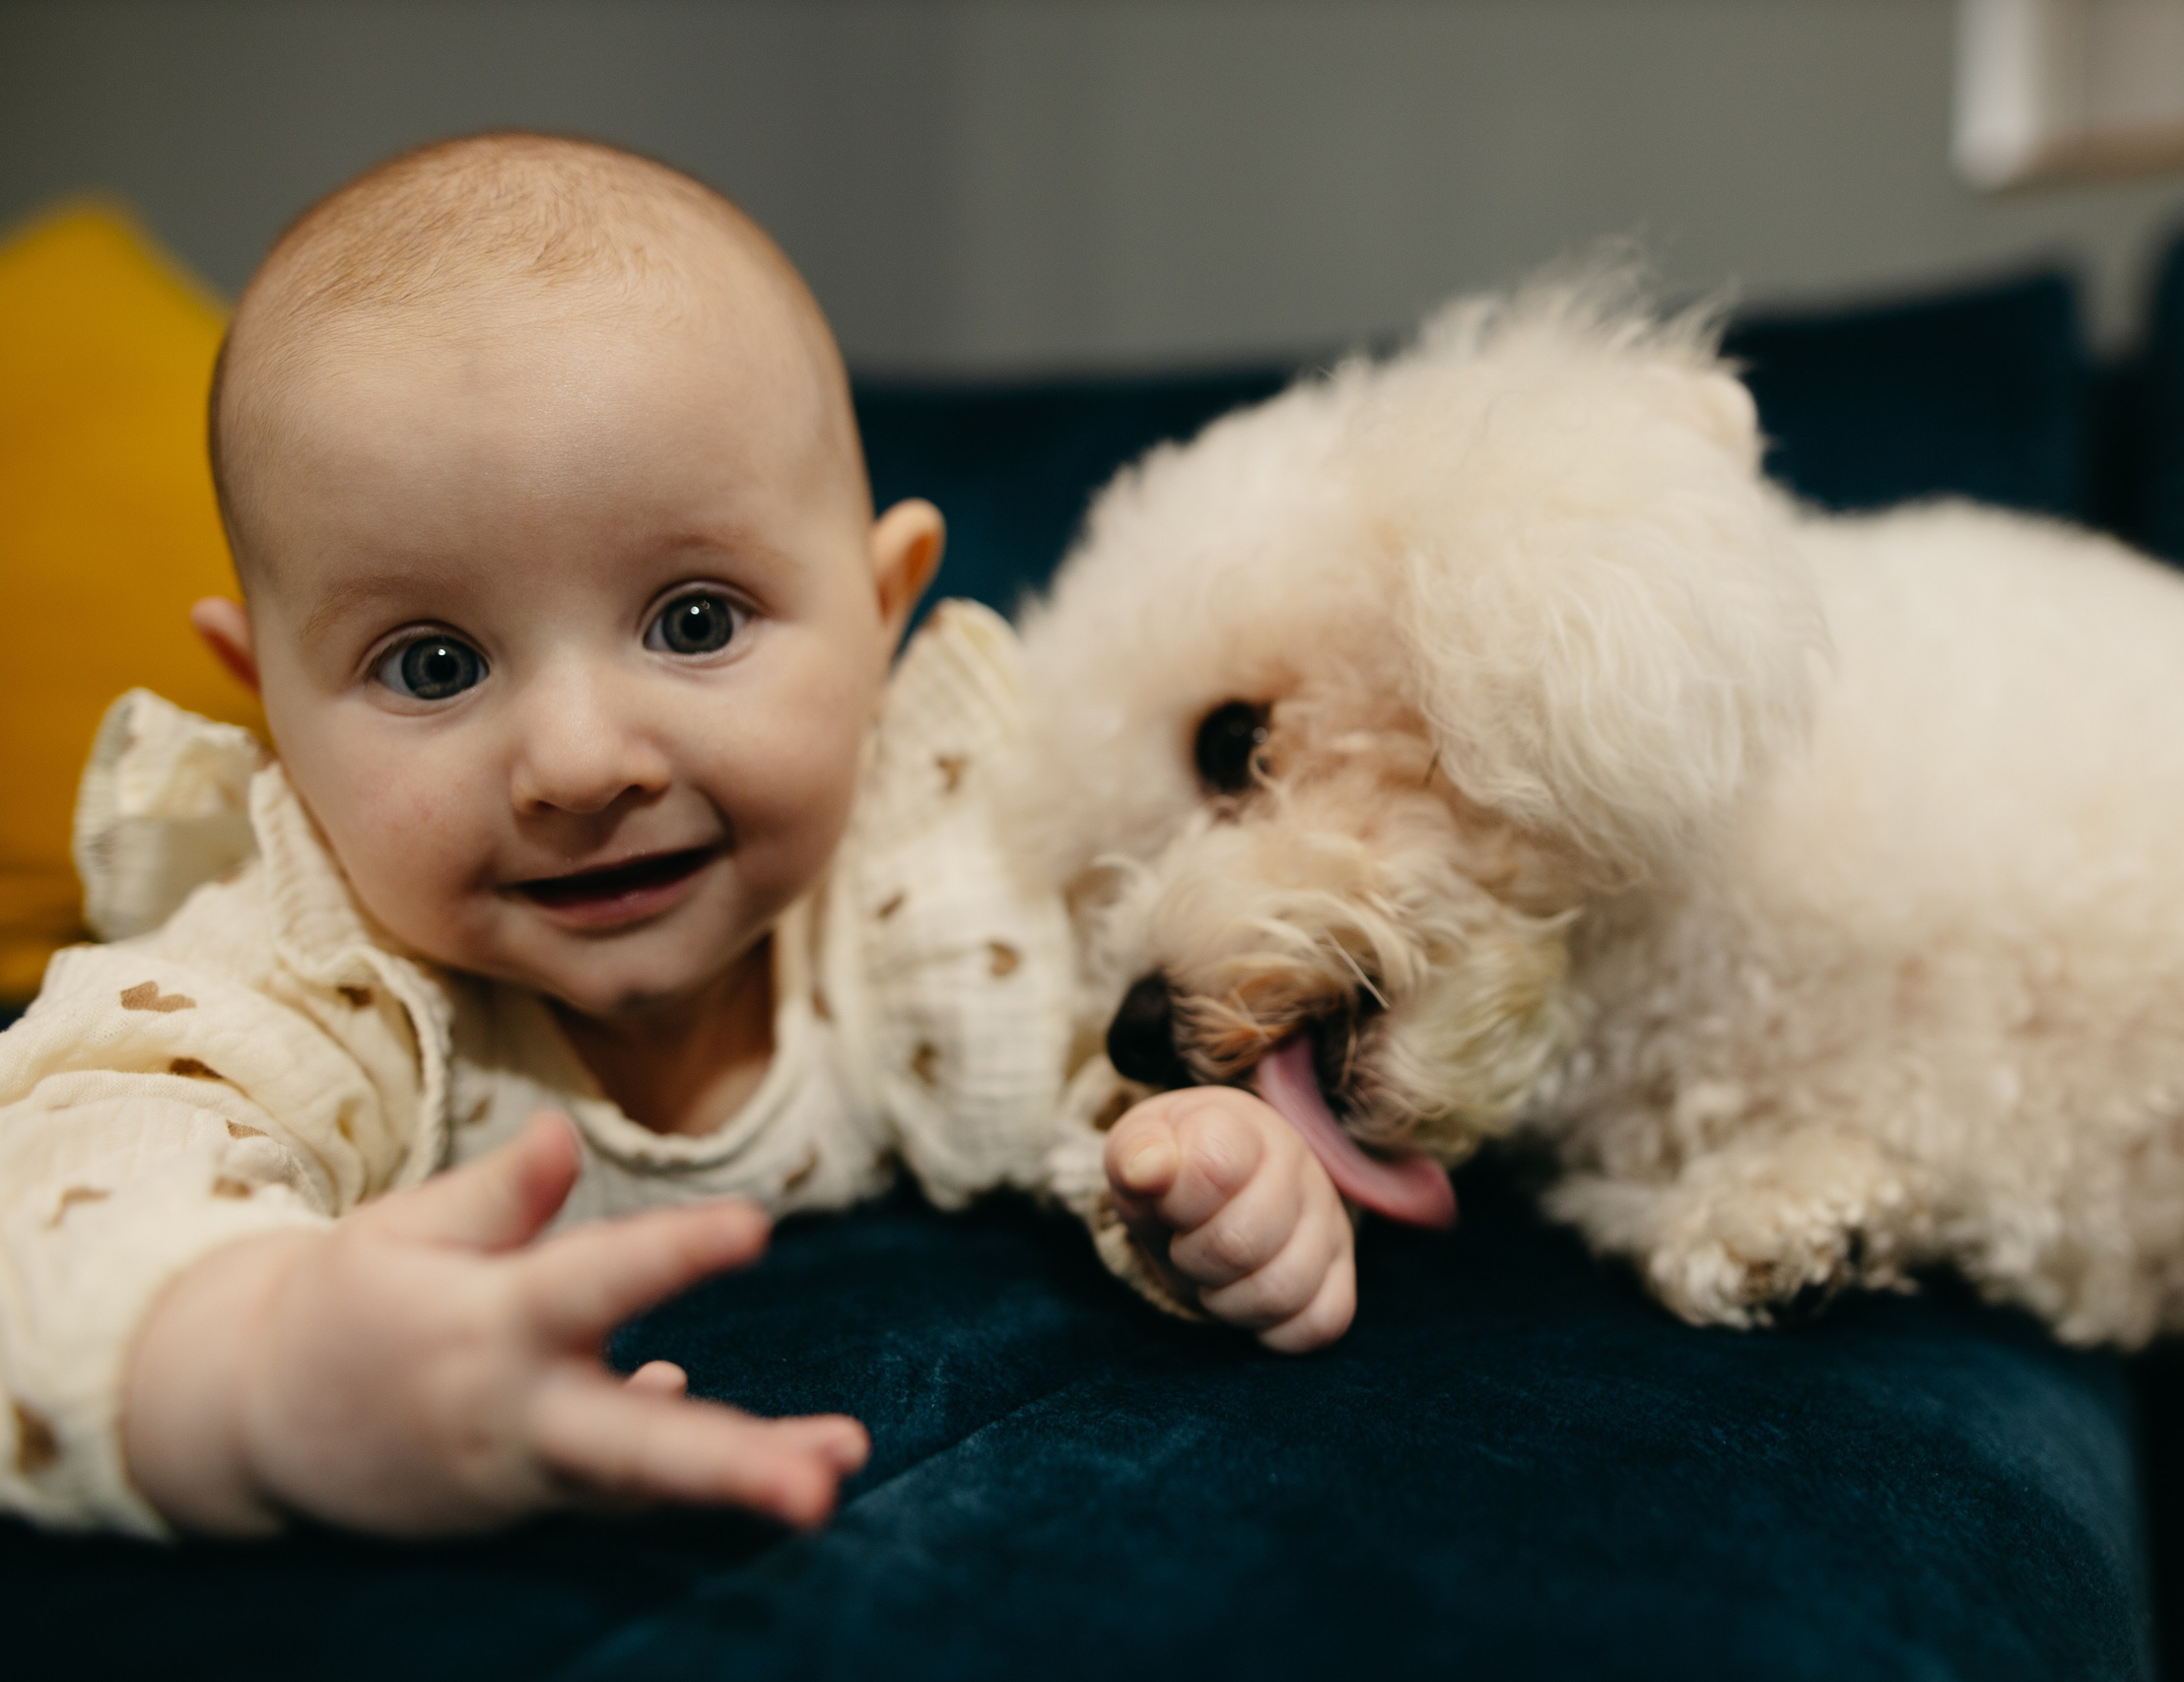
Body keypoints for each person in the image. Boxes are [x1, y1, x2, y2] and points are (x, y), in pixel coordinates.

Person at [0, 132, 1353, 1542]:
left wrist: (1192, 1168)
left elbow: (1086, 1043)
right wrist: (257, 1368)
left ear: (883, 615)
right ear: (268, 704)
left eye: (694, 623)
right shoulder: (308, 964)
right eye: (432, 665)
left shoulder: (914, 871)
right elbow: (68, 1190)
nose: (580, 766)